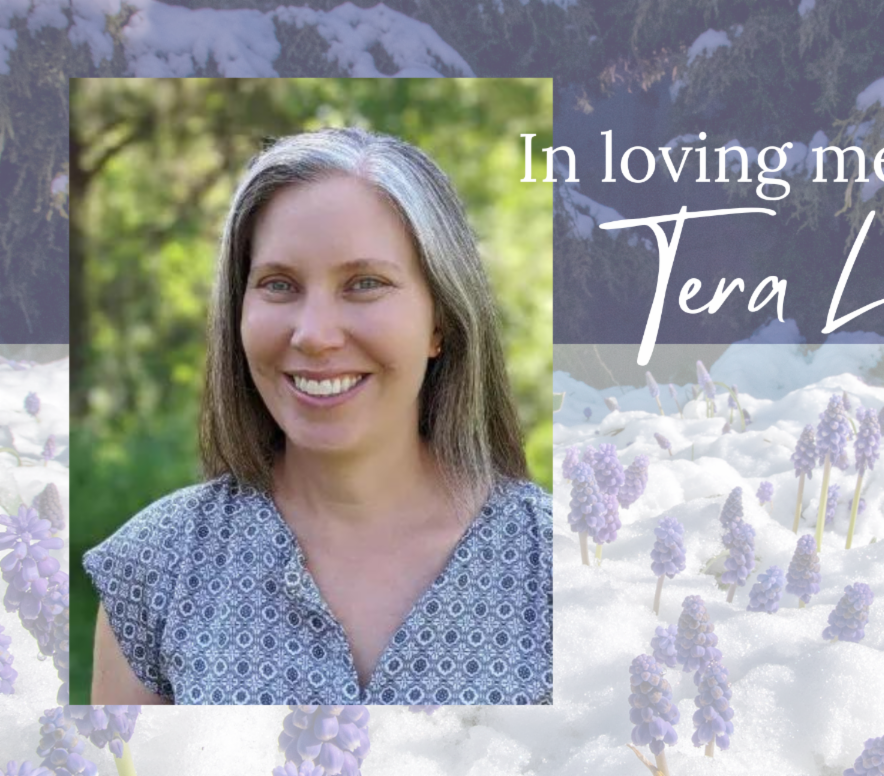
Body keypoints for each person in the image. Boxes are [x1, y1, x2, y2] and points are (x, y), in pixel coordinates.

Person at [83, 127, 552, 705]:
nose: (314, 335)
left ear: (441, 320)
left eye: (365, 284)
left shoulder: (564, 570)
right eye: (279, 285)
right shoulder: (155, 569)